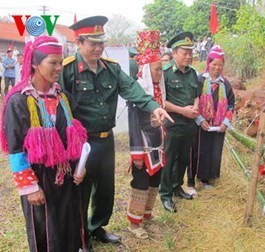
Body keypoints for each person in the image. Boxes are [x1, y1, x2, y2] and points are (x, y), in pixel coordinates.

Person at [58, 16, 172, 250]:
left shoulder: (112, 68)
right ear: (79, 43)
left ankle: (96, 227)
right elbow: (59, 106)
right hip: (81, 143)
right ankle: (81, 237)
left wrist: (154, 106)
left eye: (101, 42)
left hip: (105, 140)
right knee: (81, 190)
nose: (99, 47)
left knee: (105, 189)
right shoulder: (68, 70)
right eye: (93, 43)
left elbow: (132, 88)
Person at [0, 36, 87, 252]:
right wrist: (30, 187)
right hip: (39, 179)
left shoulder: (61, 96)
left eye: (61, 62)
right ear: (35, 63)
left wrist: (81, 167)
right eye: (53, 63)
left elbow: (75, 137)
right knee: (45, 232)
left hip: (67, 176)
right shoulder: (18, 100)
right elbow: (16, 148)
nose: (59, 67)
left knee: (69, 226)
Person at [126, 30, 165, 239]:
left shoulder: (159, 88)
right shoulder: (138, 91)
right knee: (140, 182)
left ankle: (147, 214)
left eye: (161, 70)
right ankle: (134, 223)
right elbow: (133, 124)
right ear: (148, 70)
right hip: (142, 146)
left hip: (157, 143)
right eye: (157, 70)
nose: (160, 73)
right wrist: (137, 153)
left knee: (155, 180)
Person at [159, 31, 201, 213]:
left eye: (190, 52)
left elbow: (197, 95)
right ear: (174, 53)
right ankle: (166, 194)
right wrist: (182, 110)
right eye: (185, 52)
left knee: (183, 158)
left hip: (189, 124)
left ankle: (177, 187)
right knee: (169, 160)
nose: (189, 56)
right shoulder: (165, 73)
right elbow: (161, 101)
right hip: (172, 124)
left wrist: (195, 107)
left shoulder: (193, 73)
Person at [187, 46, 235, 195]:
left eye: (220, 64)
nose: (217, 67)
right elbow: (192, 100)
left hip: (217, 127)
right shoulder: (199, 80)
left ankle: (206, 179)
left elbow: (231, 105)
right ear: (208, 63)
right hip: (199, 124)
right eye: (214, 64)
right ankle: (190, 181)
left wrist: (225, 123)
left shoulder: (225, 84)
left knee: (212, 152)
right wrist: (200, 120)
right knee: (195, 152)